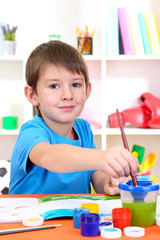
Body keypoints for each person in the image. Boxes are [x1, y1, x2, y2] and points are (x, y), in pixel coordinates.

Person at [9, 40, 139, 195]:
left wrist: (108, 184)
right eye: (54, 86)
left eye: (76, 85)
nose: (67, 95)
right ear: (32, 95)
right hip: (28, 218)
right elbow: (49, 157)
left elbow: (96, 177)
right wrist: (101, 156)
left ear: (87, 91)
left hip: (75, 218)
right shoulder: (31, 132)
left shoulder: (83, 129)